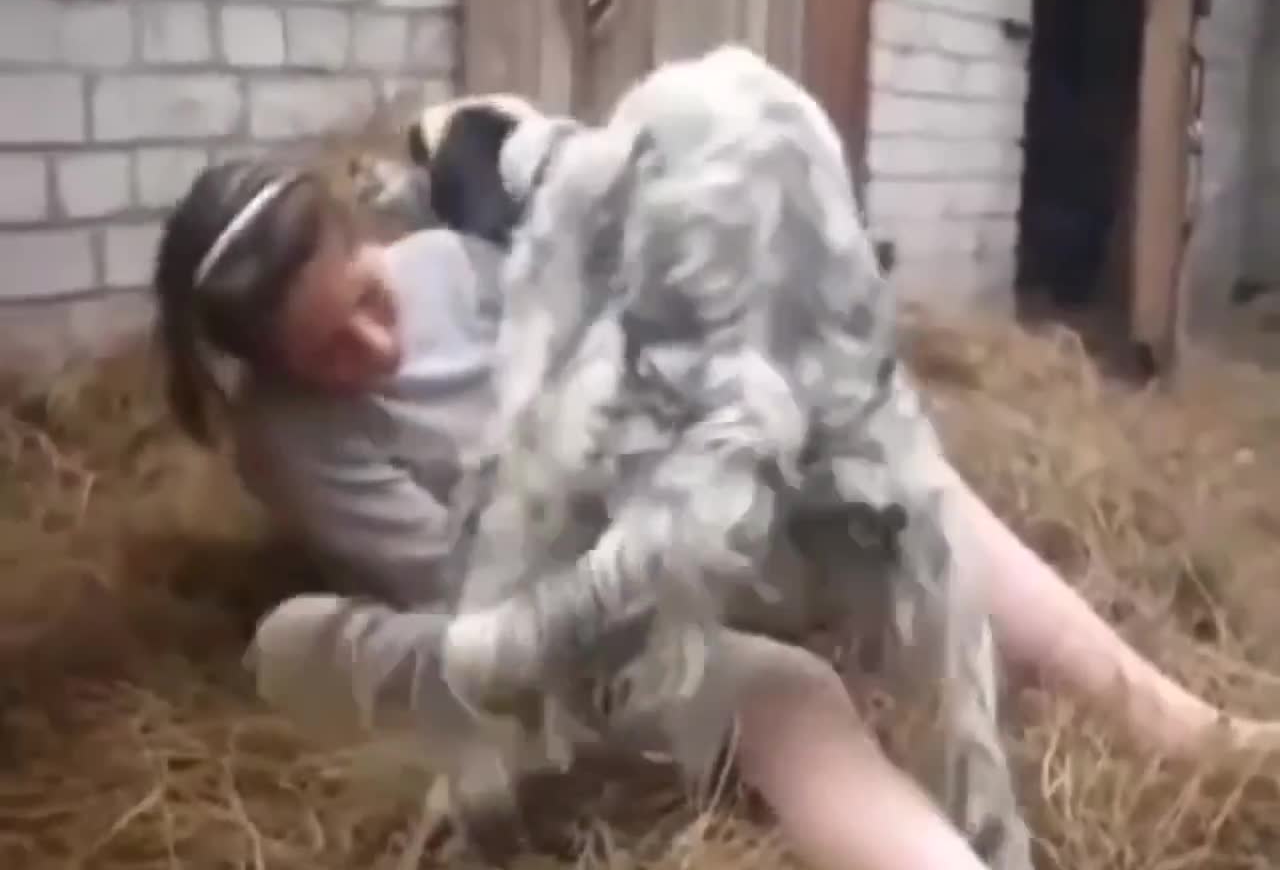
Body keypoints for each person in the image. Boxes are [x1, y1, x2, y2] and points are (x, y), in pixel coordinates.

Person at [152, 144, 1280, 870]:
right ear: (273, 368)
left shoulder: (455, 261)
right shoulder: (288, 443)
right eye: (326, 352)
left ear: (366, 240)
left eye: (366, 299)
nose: (372, 348)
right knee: (782, 691)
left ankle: (1174, 720)